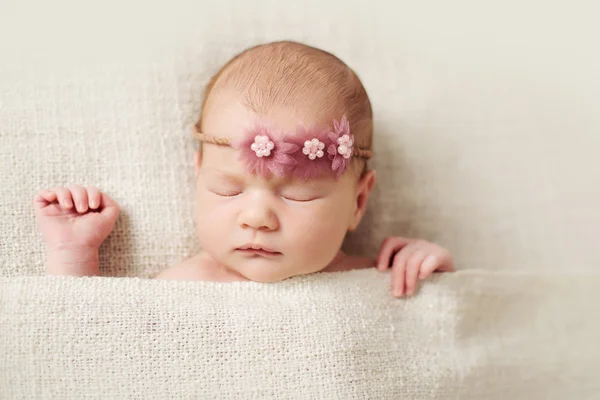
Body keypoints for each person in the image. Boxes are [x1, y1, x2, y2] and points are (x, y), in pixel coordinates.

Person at [33, 41, 454, 297]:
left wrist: (434, 278)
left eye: (298, 194)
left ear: (358, 201)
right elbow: (95, 341)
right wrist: (74, 255)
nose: (256, 218)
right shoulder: (184, 287)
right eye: (227, 189)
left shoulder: (376, 281)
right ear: (198, 175)